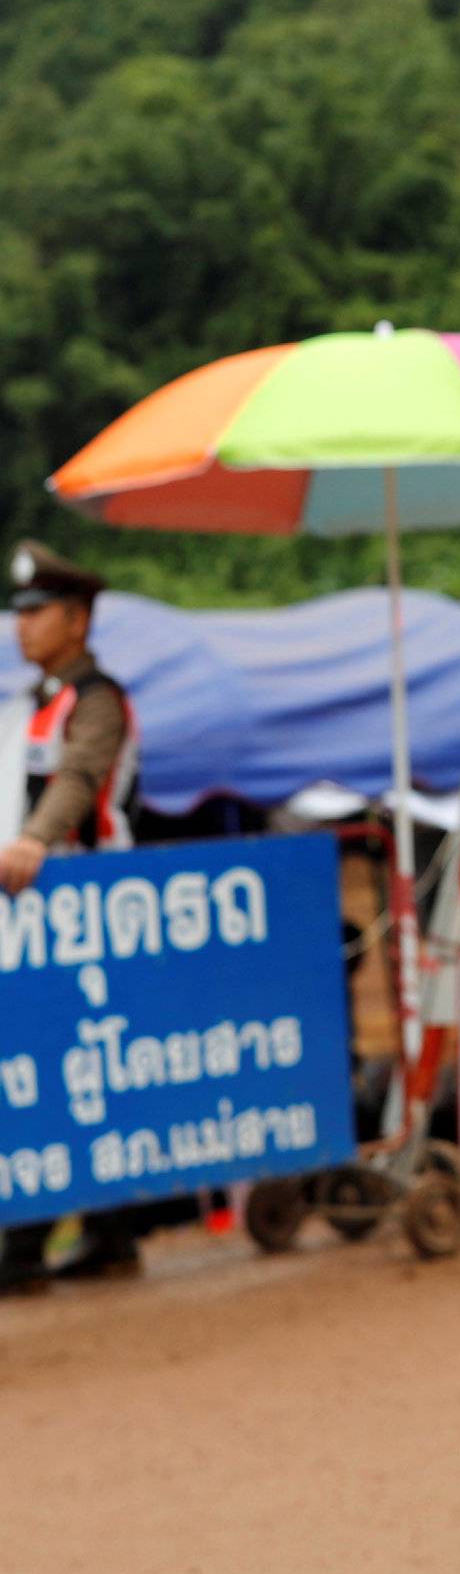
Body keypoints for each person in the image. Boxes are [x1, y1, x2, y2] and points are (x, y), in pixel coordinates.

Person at [0, 541, 147, 1295]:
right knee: (51, 1068)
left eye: (38, 612)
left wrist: (32, 840)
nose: (23, 626)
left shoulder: (96, 700)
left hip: (96, 911)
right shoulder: (29, 701)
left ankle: (33, 1245)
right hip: (38, 920)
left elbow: (79, 779)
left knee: (70, 1070)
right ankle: (103, 1235)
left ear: (79, 619)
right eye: (19, 613)